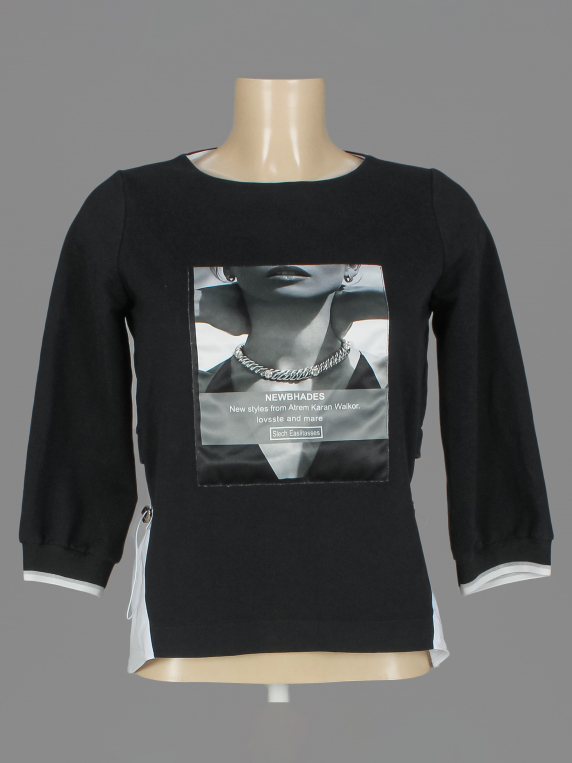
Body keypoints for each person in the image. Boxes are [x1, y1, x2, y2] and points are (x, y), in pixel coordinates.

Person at [192, 264, 390, 484]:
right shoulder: (195, 391)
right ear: (229, 265)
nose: (289, 253)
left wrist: (371, 301)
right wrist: (196, 303)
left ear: (351, 265)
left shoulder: (388, 381)